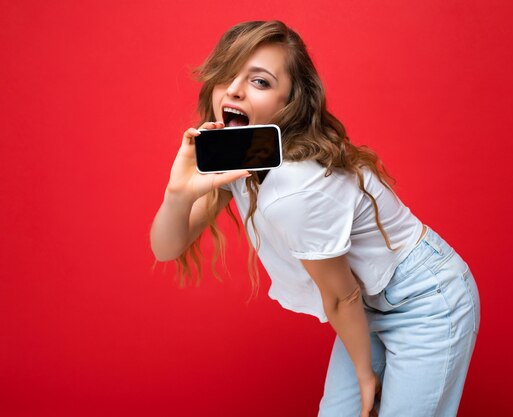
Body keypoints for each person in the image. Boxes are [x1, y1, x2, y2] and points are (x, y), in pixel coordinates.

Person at [150, 20, 480, 417]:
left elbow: (342, 296)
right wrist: (178, 193)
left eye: (260, 82)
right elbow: (167, 248)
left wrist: (365, 376)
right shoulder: (243, 153)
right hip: (366, 301)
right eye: (226, 74)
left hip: (425, 299)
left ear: (290, 103)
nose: (233, 89)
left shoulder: (296, 185)